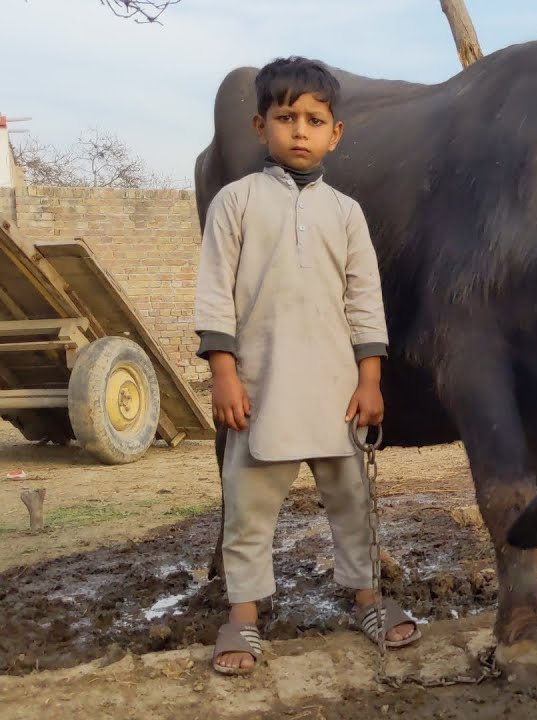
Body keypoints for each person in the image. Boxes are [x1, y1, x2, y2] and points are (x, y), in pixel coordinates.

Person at [194, 55, 419, 676]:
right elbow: (214, 293)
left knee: (353, 502)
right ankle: (243, 619)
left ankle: (368, 600)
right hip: (260, 390)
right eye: (285, 116)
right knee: (248, 508)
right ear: (259, 126)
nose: (300, 130)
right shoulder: (235, 203)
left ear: (334, 133)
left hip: (335, 390)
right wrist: (224, 371)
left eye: (314, 119)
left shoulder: (345, 213)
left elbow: (363, 298)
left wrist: (370, 379)